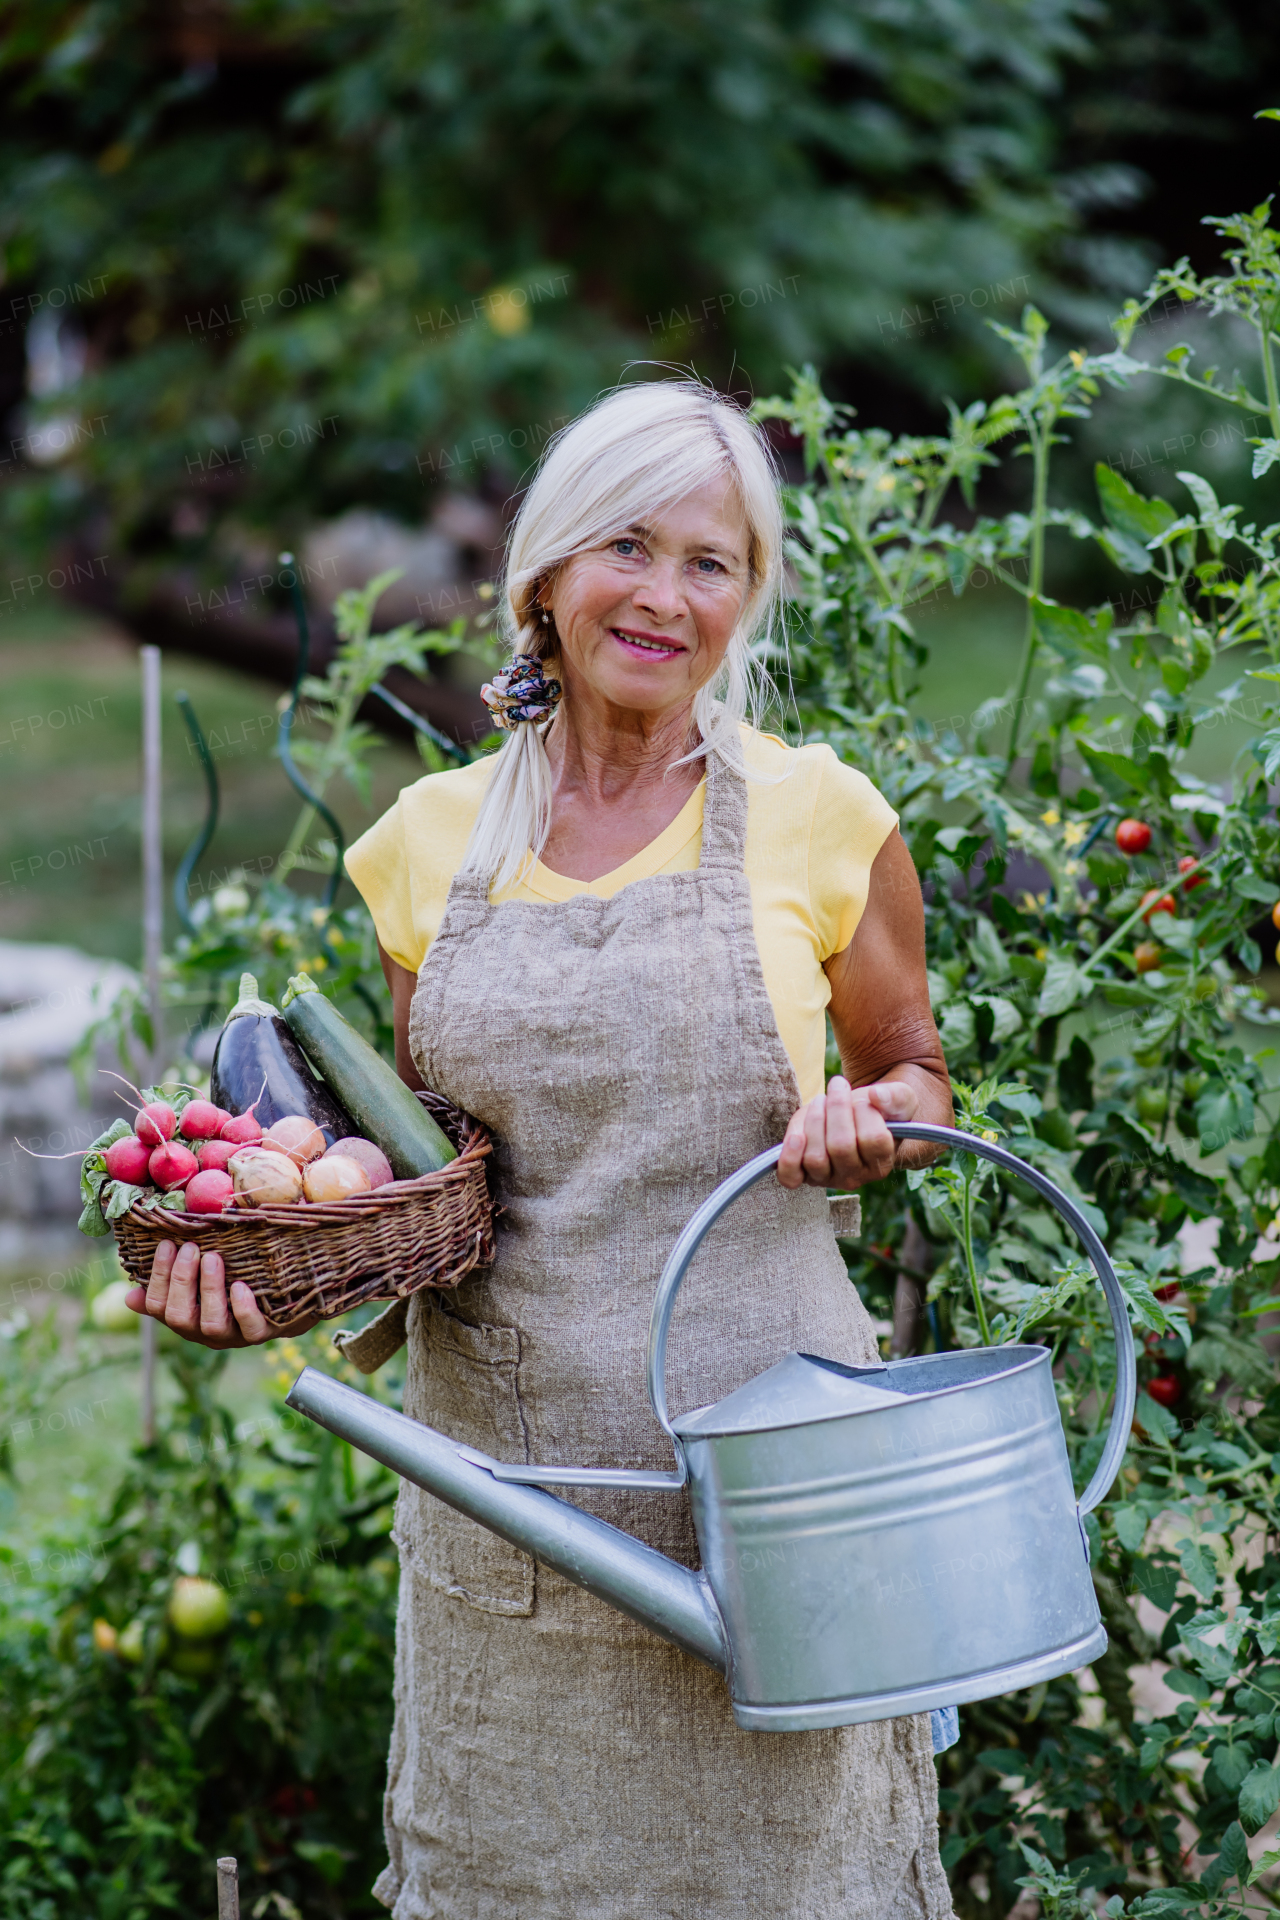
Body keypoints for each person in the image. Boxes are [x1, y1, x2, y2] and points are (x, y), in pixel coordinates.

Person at [130, 380, 956, 1919]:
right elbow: (420, 1182)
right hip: (509, 1519)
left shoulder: (820, 814)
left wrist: (875, 1131)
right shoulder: (427, 845)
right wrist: (272, 1276)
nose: (663, 596)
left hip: (777, 1507)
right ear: (546, 579)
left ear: (747, 597)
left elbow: (915, 1076)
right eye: (626, 547)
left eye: (712, 563)